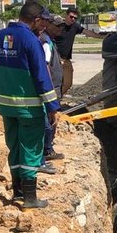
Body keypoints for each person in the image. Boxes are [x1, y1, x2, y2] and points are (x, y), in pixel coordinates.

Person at [0, 0, 60, 208]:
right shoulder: (31, 40)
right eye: (43, 21)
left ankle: (18, 193)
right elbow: (41, 76)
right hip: (29, 109)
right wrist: (53, 107)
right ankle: (30, 198)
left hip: (6, 107)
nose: (44, 26)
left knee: (15, 148)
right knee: (30, 149)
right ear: (35, 19)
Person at [53, 6, 103, 97]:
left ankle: (57, 98)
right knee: (55, 82)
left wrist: (101, 37)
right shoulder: (58, 26)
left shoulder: (75, 26)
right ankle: (54, 101)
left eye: (75, 18)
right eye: (71, 17)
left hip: (66, 60)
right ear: (66, 15)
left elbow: (87, 32)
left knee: (68, 84)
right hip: (56, 59)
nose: (73, 19)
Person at [39, 15, 66, 170]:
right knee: (50, 119)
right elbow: (45, 66)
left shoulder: (50, 40)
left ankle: (48, 148)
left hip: (54, 87)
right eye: (57, 26)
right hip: (51, 88)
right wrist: (48, 88)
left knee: (51, 120)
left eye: (62, 26)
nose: (60, 29)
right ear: (48, 25)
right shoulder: (45, 41)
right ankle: (47, 150)